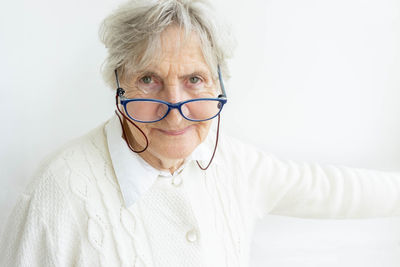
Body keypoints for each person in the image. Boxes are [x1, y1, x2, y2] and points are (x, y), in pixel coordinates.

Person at [1, 0, 399, 266]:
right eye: (149, 79)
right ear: (116, 83)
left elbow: (333, 190)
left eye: (194, 78)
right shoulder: (56, 193)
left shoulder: (234, 163)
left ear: (218, 83)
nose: (175, 115)